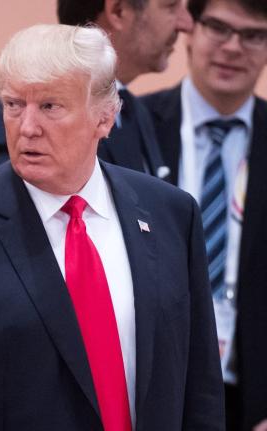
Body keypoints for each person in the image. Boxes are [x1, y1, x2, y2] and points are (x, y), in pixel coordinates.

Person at [0, 24, 224, 430]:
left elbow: (200, 390)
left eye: (50, 106)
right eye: (14, 105)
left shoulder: (171, 214)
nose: (27, 127)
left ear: (105, 117)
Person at [141, 1, 267, 429]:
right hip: (148, 389)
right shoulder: (130, 126)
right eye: (219, 27)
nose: (233, 47)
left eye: (253, 35)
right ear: (190, 29)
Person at [0, 0, 193, 181]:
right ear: (118, 11)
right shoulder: (13, 130)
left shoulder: (135, 112)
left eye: (49, 107)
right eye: (171, 6)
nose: (186, 23)